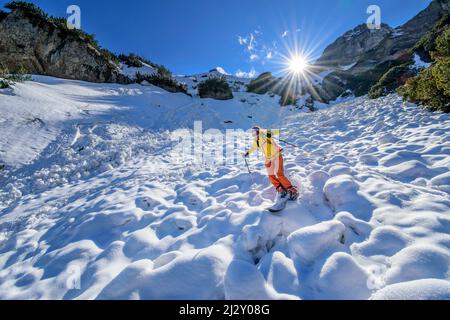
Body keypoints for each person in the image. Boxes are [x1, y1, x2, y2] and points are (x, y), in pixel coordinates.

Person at [244, 126, 299, 202]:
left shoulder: (265, 134)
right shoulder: (256, 141)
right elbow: (253, 148)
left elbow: (277, 131)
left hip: (276, 155)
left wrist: (267, 133)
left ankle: (292, 190)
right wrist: (247, 153)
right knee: (270, 176)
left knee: (279, 174)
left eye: (255, 131)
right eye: (253, 132)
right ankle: (280, 189)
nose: (254, 133)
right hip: (268, 159)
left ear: (258, 131)